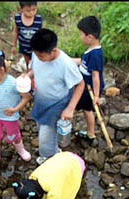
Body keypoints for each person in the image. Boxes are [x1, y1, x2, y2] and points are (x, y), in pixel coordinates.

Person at [23, 28, 84, 165]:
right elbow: (34, 69)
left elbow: (80, 85)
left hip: (57, 103)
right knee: (40, 127)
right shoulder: (38, 54)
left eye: (41, 56)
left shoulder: (66, 64)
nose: (38, 58)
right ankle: (54, 149)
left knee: (44, 137)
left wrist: (70, 108)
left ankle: (49, 158)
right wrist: (27, 76)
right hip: (41, 99)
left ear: (53, 51)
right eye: (36, 55)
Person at [0, 53, 32, 171]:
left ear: (1, 70)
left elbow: (26, 97)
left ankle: (20, 149)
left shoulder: (13, 83)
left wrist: (14, 109)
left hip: (10, 116)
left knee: (14, 134)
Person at [72, 16, 105, 146]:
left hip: (89, 89)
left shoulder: (96, 54)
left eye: (81, 34)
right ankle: (89, 133)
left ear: (90, 36)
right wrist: (68, 60)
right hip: (84, 86)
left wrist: (96, 96)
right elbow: (82, 62)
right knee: (85, 109)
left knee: (87, 109)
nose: (80, 37)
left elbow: (96, 76)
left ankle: (91, 134)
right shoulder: (90, 50)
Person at [12, 1, 42, 71]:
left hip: (35, 47)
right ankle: (28, 69)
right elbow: (15, 32)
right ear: (21, 9)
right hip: (23, 46)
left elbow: (41, 33)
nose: (31, 12)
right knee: (27, 60)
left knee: (36, 61)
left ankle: (35, 71)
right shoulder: (18, 18)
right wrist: (14, 45)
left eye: (34, 10)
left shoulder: (38, 19)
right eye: (28, 11)